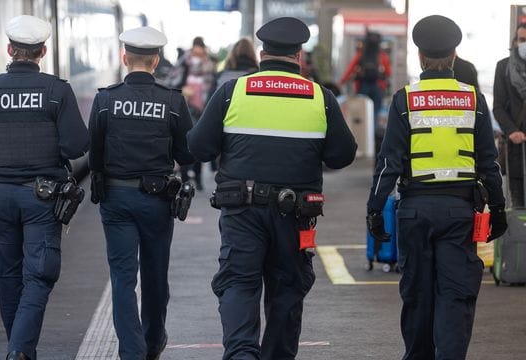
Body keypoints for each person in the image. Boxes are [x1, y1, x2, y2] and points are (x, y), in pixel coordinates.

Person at [188, 17, 357, 359]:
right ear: (299, 56)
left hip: (242, 211)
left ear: (263, 54)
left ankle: (241, 355)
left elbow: (199, 148)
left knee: (238, 284)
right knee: (287, 291)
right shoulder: (319, 97)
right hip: (295, 216)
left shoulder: (232, 92)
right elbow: (343, 155)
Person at [367, 15, 507, 359]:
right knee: (456, 296)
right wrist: (499, 209)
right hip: (460, 212)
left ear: (419, 56)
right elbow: (489, 162)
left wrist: (375, 208)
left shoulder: (405, 99)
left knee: (417, 296)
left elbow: (389, 162)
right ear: (455, 55)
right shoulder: (474, 100)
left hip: (414, 212)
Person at [0, 15, 89, 360]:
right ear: (43, 51)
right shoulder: (57, 91)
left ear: (9, 50)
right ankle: (19, 349)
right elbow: (77, 146)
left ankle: (18, 348)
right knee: (40, 274)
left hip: (2, 197)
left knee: (7, 272)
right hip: (42, 197)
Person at [87, 26, 194, 360]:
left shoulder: (105, 100)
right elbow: (187, 152)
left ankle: (131, 352)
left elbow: (94, 153)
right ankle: (152, 340)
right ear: (156, 60)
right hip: (157, 201)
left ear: (124, 57)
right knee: (154, 275)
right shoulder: (173, 102)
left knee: (122, 278)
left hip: (116, 200)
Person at [172, 36, 216, 190]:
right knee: (184, 141)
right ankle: (184, 177)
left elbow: (212, 86)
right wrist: (182, 90)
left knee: (197, 142)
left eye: (200, 50)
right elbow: (173, 81)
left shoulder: (210, 64)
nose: (197, 53)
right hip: (184, 106)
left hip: (203, 109)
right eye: (195, 50)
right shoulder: (184, 62)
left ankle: (197, 177)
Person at [493, 22, 526, 207]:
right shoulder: (503, 67)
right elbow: (498, 106)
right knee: (519, 208)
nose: (524, 44)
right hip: (516, 150)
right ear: (514, 42)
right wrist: (512, 130)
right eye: (521, 40)